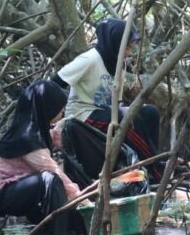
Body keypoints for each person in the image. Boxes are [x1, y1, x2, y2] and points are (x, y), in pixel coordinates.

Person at [52, 19, 162, 181]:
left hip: (106, 112)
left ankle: (144, 166)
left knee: (150, 112)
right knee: (128, 119)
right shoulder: (90, 59)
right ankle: (156, 168)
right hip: (82, 115)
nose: (130, 53)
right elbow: (56, 82)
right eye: (128, 48)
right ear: (115, 43)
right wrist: (57, 116)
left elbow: (116, 100)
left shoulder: (120, 64)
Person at [0, 79, 87, 234]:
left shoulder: (32, 130)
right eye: (59, 108)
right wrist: (85, 201)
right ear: (47, 108)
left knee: (61, 180)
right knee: (52, 180)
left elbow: (48, 141)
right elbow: (52, 170)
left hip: (18, 186)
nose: (62, 111)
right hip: (0, 193)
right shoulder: (26, 138)